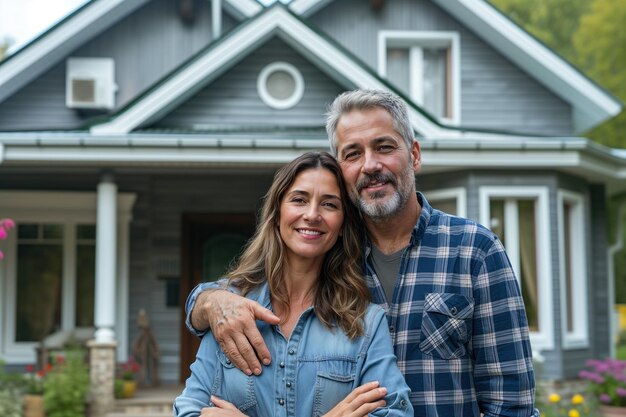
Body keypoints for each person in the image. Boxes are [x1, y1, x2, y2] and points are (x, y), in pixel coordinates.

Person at [186, 90, 539, 417]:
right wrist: (212, 301)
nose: (370, 164)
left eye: (384, 147)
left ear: (414, 155)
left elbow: (512, 404)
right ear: (341, 168)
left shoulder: (473, 251)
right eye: (353, 153)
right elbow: (235, 295)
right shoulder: (326, 252)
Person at [174, 152, 413, 417]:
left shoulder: (365, 323)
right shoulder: (229, 311)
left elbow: (394, 413)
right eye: (299, 200)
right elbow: (189, 410)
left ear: (343, 224)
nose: (312, 215)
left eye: (329, 205)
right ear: (277, 214)